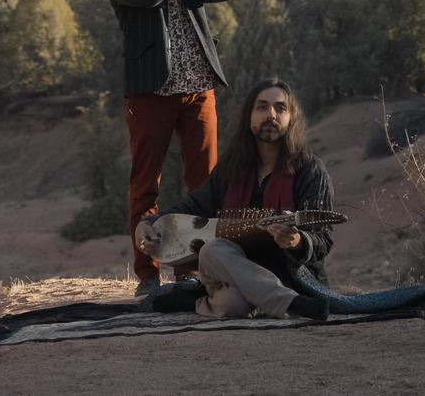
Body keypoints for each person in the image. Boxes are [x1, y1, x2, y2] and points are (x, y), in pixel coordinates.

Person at [103, 0, 236, 297]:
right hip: (151, 93)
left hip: (199, 87)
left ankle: (195, 270)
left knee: (205, 183)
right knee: (146, 184)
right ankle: (147, 275)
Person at [134, 78, 334, 320]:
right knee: (212, 250)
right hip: (234, 269)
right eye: (261, 107)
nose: (270, 114)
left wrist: (296, 241)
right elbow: (193, 206)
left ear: (291, 118)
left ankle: (199, 302)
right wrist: (149, 222)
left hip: (290, 276)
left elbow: (323, 239)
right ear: (249, 116)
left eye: (280, 108)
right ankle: (293, 304)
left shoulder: (310, 170)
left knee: (231, 305)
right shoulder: (231, 169)